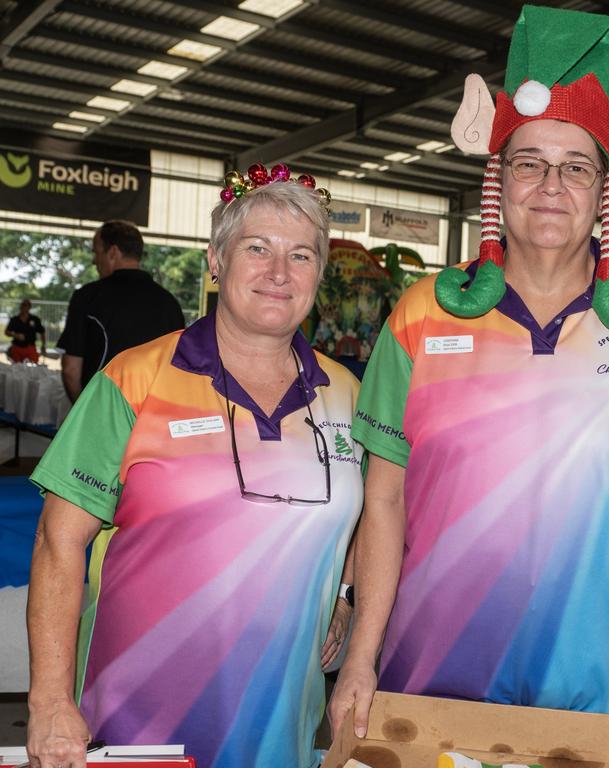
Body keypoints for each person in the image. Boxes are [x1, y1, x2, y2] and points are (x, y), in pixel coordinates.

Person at [330, 6, 609, 765]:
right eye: (529, 161)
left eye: (576, 166)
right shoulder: (420, 314)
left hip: (608, 684)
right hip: (432, 673)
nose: (550, 186)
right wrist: (361, 659)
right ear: (497, 178)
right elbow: (384, 497)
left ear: (606, 186)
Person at [26, 170, 364, 768]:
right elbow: (58, 541)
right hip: (137, 725)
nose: (278, 272)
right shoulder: (135, 379)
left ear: (319, 274)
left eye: (301, 255)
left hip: (281, 728)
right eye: (257, 248)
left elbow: (372, 509)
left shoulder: (346, 392)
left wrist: (341, 591)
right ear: (215, 260)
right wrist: (50, 699)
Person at [59, 219, 185, 402]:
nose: (94, 261)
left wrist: (82, 412)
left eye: (96, 252)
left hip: (103, 409)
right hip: (151, 412)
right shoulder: (170, 303)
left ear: (113, 253)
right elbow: (178, 369)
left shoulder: (88, 297)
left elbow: (71, 369)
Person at [5, 298, 45, 363]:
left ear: (29, 307)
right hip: (17, 347)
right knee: (16, 367)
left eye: (25, 305)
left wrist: (43, 345)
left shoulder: (35, 319)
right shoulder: (14, 319)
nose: (23, 307)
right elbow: (7, 332)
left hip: (30, 347)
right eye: (22, 305)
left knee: (32, 365)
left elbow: (42, 332)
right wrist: (15, 335)